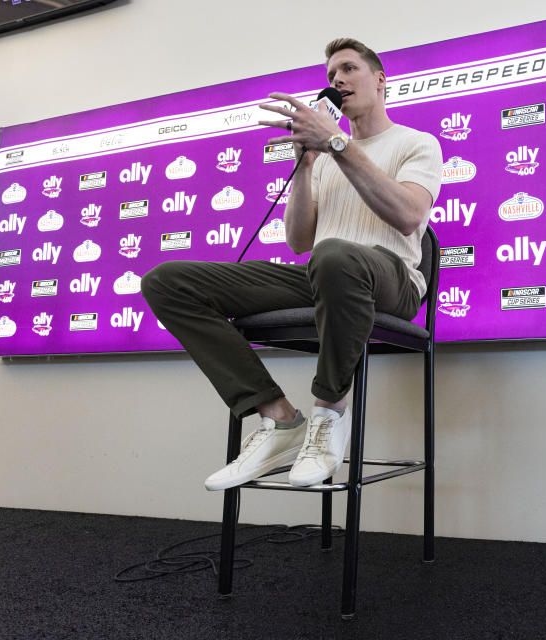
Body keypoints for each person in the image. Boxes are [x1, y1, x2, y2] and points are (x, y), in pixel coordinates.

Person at [141, 38, 443, 489]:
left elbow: (408, 216)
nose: (336, 80)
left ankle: (329, 412)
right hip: (324, 272)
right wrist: (307, 164)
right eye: (330, 76)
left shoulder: (416, 143)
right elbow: (301, 242)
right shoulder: (325, 158)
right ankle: (279, 418)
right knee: (168, 281)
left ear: (380, 81)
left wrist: (337, 143)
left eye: (348, 69)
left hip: (391, 278)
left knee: (336, 254)